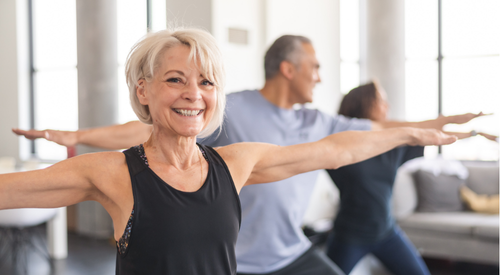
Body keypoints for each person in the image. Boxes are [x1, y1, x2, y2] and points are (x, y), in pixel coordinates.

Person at [12, 35, 480, 275]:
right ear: (145, 90)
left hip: (290, 253)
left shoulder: (235, 163)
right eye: (175, 79)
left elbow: (335, 149)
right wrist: (72, 133)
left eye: (206, 81)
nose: (193, 93)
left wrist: (410, 135)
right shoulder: (114, 172)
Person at [325, 81, 497, 275]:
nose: (387, 106)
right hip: (349, 236)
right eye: (381, 100)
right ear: (364, 104)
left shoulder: (392, 146)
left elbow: (433, 134)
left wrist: (475, 133)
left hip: (387, 233)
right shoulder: (340, 148)